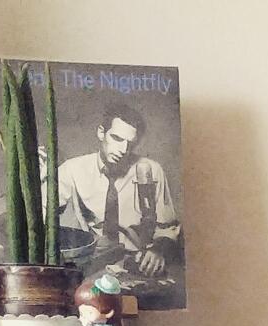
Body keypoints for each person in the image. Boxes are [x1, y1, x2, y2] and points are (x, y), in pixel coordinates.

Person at [56, 102, 181, 282]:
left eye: (131, 144)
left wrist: (158, 250)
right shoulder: (73, 169)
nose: (123, 150)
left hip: (138, 262)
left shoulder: (151, 170)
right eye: (116, 138)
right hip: (93, 263)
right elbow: (41, 213)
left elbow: (168, 227)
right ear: (101, 132)